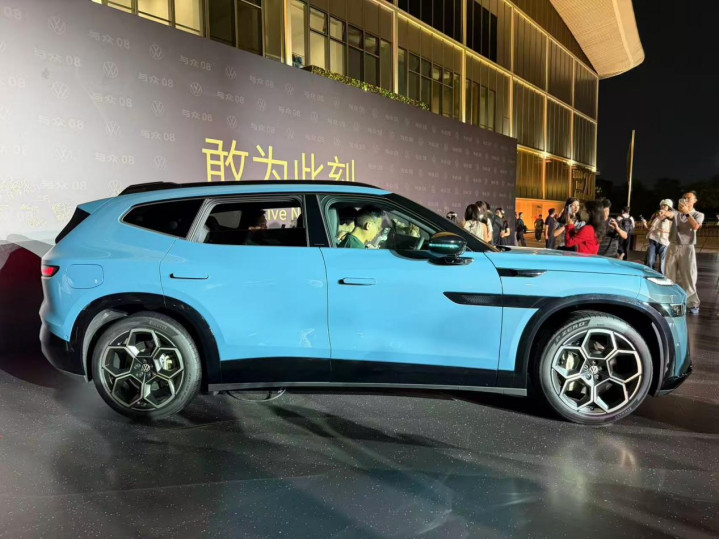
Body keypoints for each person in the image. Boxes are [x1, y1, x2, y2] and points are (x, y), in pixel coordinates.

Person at [663, 191, 704, 314]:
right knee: (669, 275)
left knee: (688, 276)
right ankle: (671, 302)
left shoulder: (698, 214)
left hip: (687, 247)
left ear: (695, 201)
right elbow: (671, 214)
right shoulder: (677, 213)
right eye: (684, 198)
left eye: (689, 198)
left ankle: (692, 304)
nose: (686, 200)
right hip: (673, 246)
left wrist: (687, 213)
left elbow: (696, 226)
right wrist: (664, 213)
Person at [641, 199, 673, 273]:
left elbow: (673, 230)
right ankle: (649, 275)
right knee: (650, 261)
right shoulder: (655, 215)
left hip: (665, 242)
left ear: (669, 207)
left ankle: (661, 277)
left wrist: (660, 229)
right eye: (662, 205)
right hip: (653, 239)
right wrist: (645, 224)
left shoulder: (671, 217)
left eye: (665, 205)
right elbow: (649, 227)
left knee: (663, 264)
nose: (663, 206)